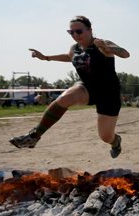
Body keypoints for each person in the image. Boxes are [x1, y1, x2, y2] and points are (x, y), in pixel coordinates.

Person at [9, 15, 130, 158]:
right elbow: (68, 56)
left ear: (90, 30)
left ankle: (115, 141)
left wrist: (106, 46)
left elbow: (125, 54)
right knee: (66, 97)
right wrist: (46, 57)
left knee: (105, 136)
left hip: (108, 93)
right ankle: (34, 136)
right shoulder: (75, 48)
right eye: (71, 32)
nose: (75, 35)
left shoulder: (102, 44)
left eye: (78, 31)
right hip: (87, 88)